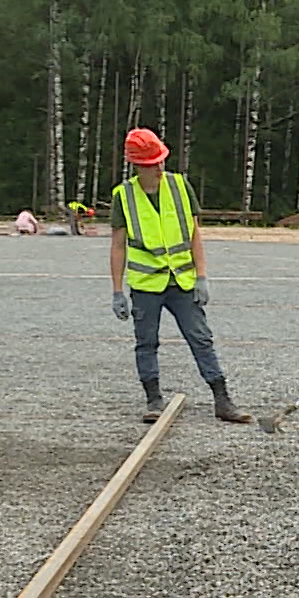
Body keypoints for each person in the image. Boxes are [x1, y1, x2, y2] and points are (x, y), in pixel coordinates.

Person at [108, 128, 251, 424]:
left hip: (182, 282)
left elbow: (195, 233)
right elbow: (118, 245)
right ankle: (153, 400)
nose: (159, 167)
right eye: (152, 164)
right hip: (147, 286)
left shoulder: (180, 186)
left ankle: (222, 399)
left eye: (161, 160)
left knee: (201, 339)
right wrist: (117, 290)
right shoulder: (124, 196)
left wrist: (202, 276)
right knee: (146, 342)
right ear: (137, 166)